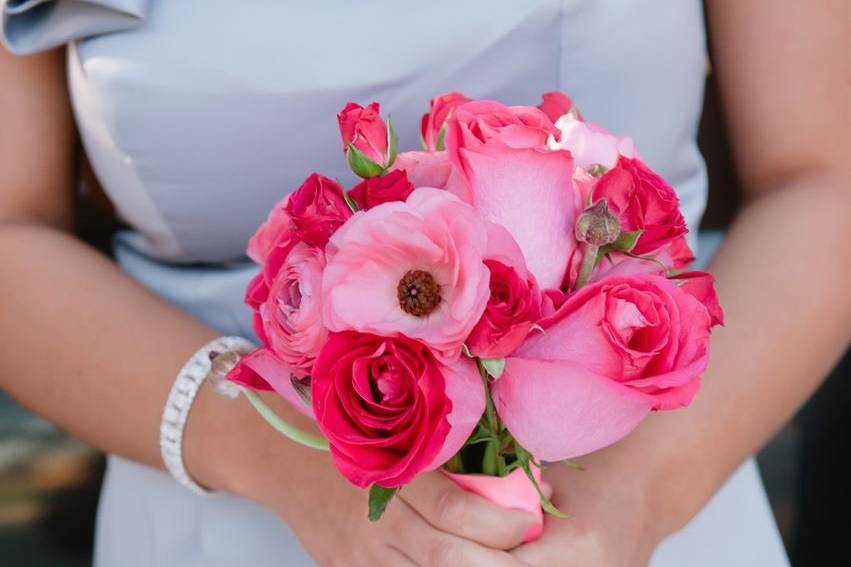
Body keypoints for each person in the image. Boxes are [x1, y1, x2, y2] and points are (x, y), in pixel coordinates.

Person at [0, 1, 848, 565]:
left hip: (641, 504)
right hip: (214, 501)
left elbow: (825, 178)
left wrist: (632, 501)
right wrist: (278, 459)